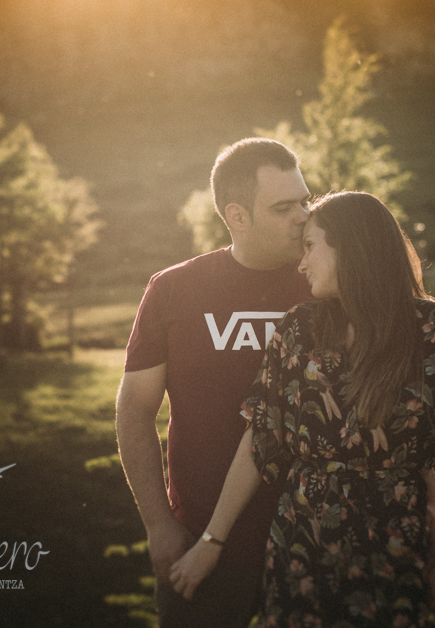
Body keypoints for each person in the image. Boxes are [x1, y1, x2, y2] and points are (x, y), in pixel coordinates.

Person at [169, 191, 435, 627]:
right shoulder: (299, 329)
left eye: (311, 246)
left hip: (394, 548)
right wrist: (211, 540)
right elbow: (260, 442)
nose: (301, 264)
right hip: (301, 546)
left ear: (351, 248)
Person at [116, 138, 314, 628]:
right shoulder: (174, 290)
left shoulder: (325, 285)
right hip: (199, 541)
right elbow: (135, 411)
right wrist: (159, 525)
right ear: (238, 216)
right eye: (284, 207)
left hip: (315, 539)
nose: (304, 217)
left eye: (306, 201)